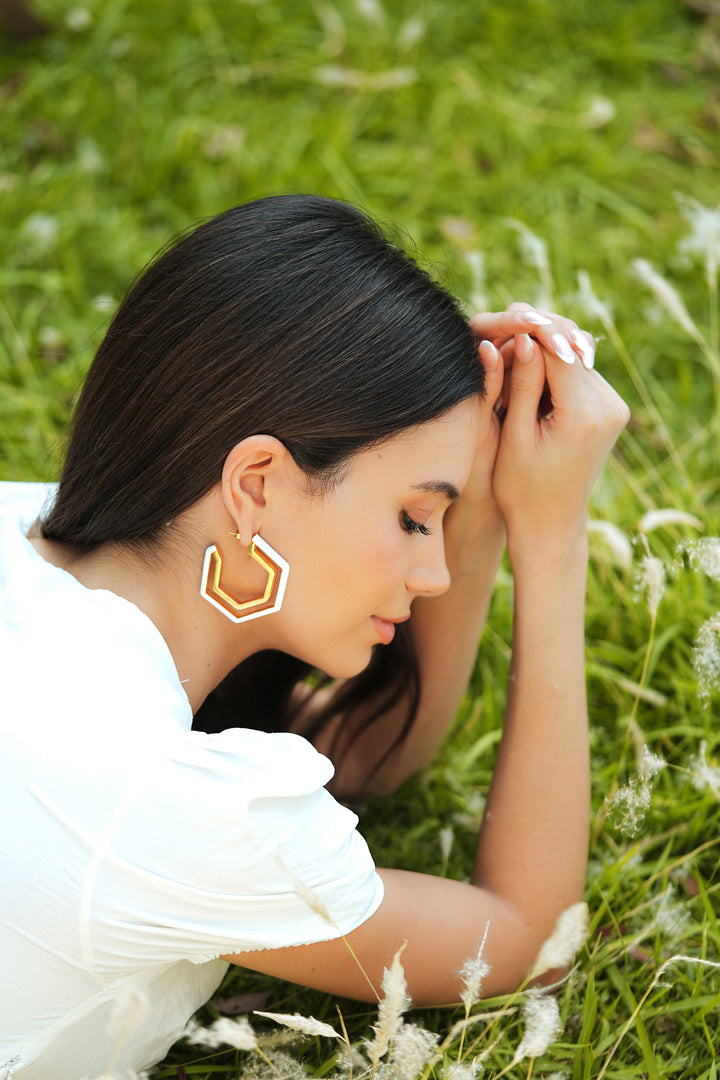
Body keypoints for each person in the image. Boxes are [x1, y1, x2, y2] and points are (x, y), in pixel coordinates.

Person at [0, 194, 629, 1080]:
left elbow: (368, 752)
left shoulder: (24, 529)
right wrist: (553, 537)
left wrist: (472, 499)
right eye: (415, 519)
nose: (436, 574)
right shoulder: (159, 802)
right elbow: (526, 938)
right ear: (256, 482)